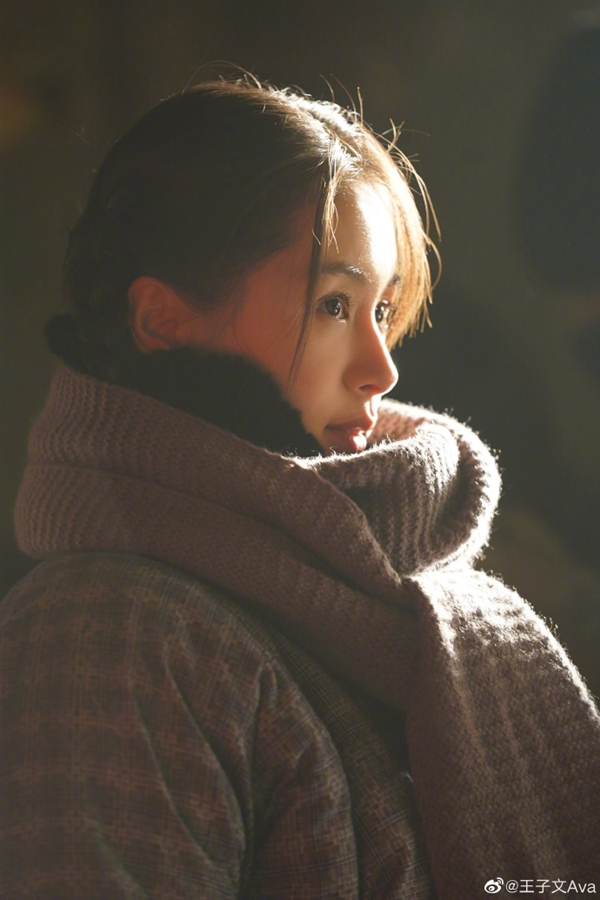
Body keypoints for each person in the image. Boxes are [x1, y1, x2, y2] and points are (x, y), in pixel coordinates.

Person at [1, 78, 598, 900]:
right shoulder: (109, 633)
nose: (381, 368)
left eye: (382, 310)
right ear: (164, 321)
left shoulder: (417, 603)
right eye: (333, 304)